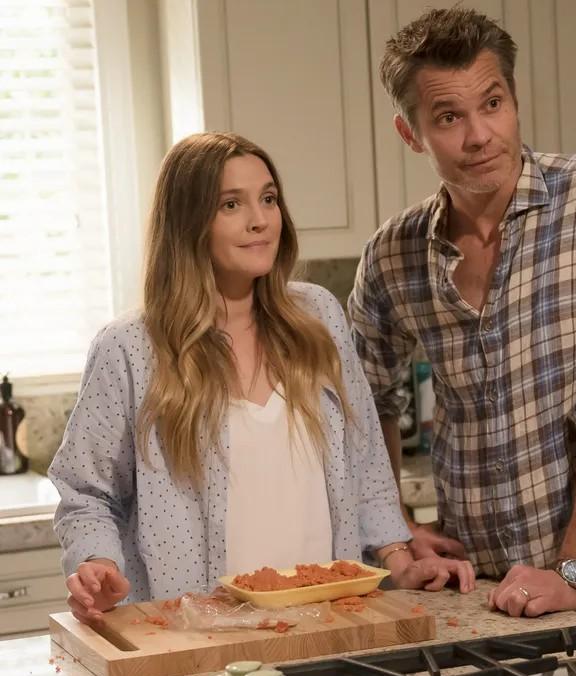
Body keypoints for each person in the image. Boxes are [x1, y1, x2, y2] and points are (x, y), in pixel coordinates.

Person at [347, 7, 576, 621]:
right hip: (479, 587)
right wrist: (395, 532)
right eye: (449, 117)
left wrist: (571, 573)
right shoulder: (393, 253)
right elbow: (360, 399)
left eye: (493, 103)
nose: (480, 135)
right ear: (411, 133)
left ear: (514, 98)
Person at [48, 132, 476, 624]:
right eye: (231, 204)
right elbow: (86, 493)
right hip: (199, 634)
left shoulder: (318, 317)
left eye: (268, 199)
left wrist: (400, 561)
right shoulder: (130, 348)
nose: (260, 220)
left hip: (328, 622)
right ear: (187, 222)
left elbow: (366, 465)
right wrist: (98, 564)